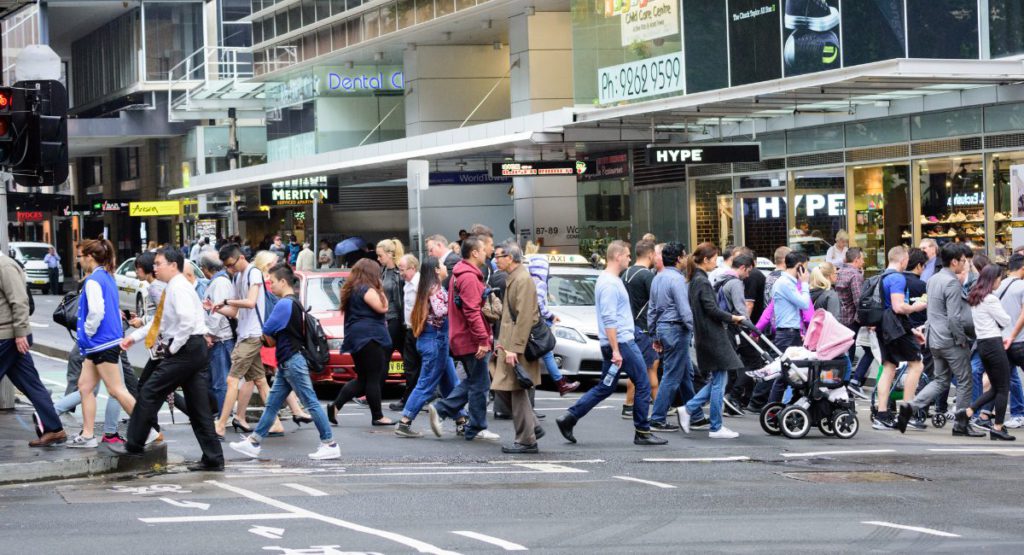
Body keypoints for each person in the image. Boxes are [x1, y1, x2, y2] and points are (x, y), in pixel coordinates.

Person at [114, 248, 225, 471]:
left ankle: (134, 444)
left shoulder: (178, 287)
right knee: (198, 408)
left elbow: (186, 323)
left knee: (149, 390)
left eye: (159, 263)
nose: (155, 268)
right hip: (193, 348)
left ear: (173, 265)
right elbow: (161, 323)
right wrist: (133, 338)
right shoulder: (173, 287)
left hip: (186, 348)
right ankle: (213, 458)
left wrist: (173, 348)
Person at [556, 241, 667, 446]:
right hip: (622, 343)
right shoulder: (609, 283)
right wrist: (616, 349)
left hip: (617, 343)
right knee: (643, 383)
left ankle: (569, 417)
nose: (629, 259)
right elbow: (609, 318)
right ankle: (642, 431)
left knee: (606, 387)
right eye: (627, 255)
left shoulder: (611, 280)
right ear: (617, 256)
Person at [230, 264, 341, 459]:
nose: (270, 285)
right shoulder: (294, 302)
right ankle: (254, 442)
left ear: (283, 282)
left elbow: (266, 331)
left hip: (292, 361)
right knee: (272, 404)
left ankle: (330, 443)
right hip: (288, 362)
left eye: (272, 282)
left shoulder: (284, 304)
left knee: (310, 402)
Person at [67, 239, 141, 448]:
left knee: (117, 390)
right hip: (103, 343)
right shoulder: (107, 276)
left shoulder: (93, 280)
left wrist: (88, 332)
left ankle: (147, 430)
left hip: (100, 343)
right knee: (85, 387)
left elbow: (97, 311)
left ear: (90, 257)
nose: (78, 261)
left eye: (80, 257)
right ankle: (88, 435)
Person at [208, 244, 286, 438]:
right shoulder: (238, 277)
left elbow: (250, 303)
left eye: (231, 264)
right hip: (245, 333)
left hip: (253, 334)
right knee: (259, 380)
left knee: (232, 379)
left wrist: (226, 301)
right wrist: (215, 307)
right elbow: (234, 312)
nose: (230, 269)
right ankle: (276, 423)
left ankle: (220, 425)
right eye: (227, 266)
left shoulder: (254, 273)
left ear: (241, 257)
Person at [427, 236, 500, 441]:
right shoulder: (468, 277)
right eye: (483, 249)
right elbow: (472, 311)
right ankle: (472, 425)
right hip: (471, 339)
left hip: (462, 336)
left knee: (476, 381)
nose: (486, 252)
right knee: (480, 384)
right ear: (474, 253)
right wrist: (483, 340)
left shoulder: (460, 274)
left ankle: (450, 414)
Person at [901, 245, 979, 435]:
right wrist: (962, 339)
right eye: (963, 261)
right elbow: (953, 317)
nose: (965, 264)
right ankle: (961, 424)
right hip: (950, 339)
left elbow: (933, 310)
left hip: (934, 338)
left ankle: (911, 406)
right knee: (965, 380)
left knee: (941, 380)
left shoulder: (933, 279)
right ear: (954, 262)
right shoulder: (952, 282)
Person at [678, 243, 747, 439]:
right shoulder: (702, 281)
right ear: (705, 259)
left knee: (719, 379)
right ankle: (716, 426)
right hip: (712, 336)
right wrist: (733, 317)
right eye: (714, 259)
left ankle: (689, 409)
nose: (716, 263)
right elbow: (712, 309)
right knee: (719, 382)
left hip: (705, 335)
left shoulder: (695, 279)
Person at [0, 251, 66, 447]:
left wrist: (20, 332)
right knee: (31, 384)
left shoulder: (5, 266)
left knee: (31, 383)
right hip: (11, 336)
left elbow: (20, 300)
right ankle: (54, 429)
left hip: (8, 336)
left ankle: (54, 429)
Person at [395, 257, 460, 438]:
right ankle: (405, 422)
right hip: (435, 341)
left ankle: (462, 420)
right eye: (442, 265)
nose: (445, 268)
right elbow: (440, 311)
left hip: (433, 341)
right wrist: (456, 303)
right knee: (425, 384)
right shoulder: (435, 289)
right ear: (436, 270)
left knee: (451, 384)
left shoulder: (427, 287)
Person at [328, 258, 397, 426]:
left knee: (363, 379)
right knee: (374, 377)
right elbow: (383, 307)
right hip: (370, 336)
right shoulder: (367, 289)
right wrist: (380, 288)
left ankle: (335, 406)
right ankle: (378, 416)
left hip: (356, 337)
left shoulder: (352, 289)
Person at [491, 241, 544, 454]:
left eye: (498, 256)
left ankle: (526, 440)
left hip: (516, 345)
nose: (495, 260)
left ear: (510, 258)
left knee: (517, 390)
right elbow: (510, 317)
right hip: (509, 344)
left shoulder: (522, 279)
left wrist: (514, 348)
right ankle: (532, 427)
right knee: (503, 385)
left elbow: (524, 318)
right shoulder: (514, 277)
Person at [956, 264, 1015, 440]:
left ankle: (966, 413)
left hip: (982, 344)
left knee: (996, 387)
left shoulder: (975, 297)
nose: (1000, 282)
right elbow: (1005, 320)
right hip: (994, 343)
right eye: (1000, 278)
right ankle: (997, 427)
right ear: (993, 279)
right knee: (1003, 388)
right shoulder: (990, 299)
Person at [647, 242, 700, 432]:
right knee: (672, 375)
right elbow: (684, 310)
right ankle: (657, 418)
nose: (686, 259)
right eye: (684, 255)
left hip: (664, 328)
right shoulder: (678, 280)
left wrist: (654, 334)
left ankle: (696, 415)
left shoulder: (658, 277)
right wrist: (697, 331)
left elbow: (652, 309)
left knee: (685, 374)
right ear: (678, 258)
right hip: (676, 328)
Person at [524, 241, 580, 396]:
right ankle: (560, 383)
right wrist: (552, 316)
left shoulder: (528, 280)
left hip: (528, 322)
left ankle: (560, 382)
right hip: (538, 323)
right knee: (547, 351)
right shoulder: (540, 283)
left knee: (542, 353)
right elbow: (540, 306)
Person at [764, 252, 813, 404]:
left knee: (796, 373)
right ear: (799, 267)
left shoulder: (788, 282)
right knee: (784, 375)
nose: (806, 272)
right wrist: (805, 284)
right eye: (805, 267)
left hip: (791, 332)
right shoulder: (785, 283)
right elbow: (804, 304)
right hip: (787, 334)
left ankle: (793, 406)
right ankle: (773, 408)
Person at [620, 240, 658, 417]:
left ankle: (656, 404)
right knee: (647, 368)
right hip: (644, 327)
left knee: (642, 367)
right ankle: (631, 404)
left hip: (630, 325)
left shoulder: (625, 273)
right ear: (650, 254)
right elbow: (656, 302)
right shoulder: (647, 276)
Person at [717, 252, 757, 414]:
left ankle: (730, 398)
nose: (748, 276)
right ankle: (733, 396)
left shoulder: (721, 278)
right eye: (748, 271)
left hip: (724, 328)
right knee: (754, 361)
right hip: (734, 328)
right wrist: (753, 329)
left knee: (731, 366)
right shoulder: (736, 283)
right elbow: (741, 309)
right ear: (742, 267)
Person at [200, 252, 234, 417]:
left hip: (221, 339)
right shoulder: (217, 282)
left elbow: (217, 313)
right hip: (218, 337)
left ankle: (224, 416)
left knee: (221, 382)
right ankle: (221, 414)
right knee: (215, 380)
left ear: (205, 268)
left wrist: (210, 335)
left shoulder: (220, 283)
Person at [993, 254, 1024, 429]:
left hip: (1002, 341)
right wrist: (1013, 334)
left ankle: (1018, 414)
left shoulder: (999, 286)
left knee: (1011, 379)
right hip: (1019, 340)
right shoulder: (1022, 286)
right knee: (1011, 379)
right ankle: (1018, 414)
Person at [835, 247, 870, 398]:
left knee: (843, 353)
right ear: (856, 260)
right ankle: (848, 385)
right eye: (862, 258)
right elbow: (858, 301)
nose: (863, 261)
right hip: (851, 320)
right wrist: (865, 320)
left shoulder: (839, 272)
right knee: (855, 352)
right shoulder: (855, 275)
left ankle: (841, 384)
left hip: (839, 318)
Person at [390, 254, 421, 412]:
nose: (400, 273)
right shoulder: (407, 284)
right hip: (409, 330)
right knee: (410, 367)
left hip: (419, 331)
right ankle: (409, 399)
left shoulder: (420, 284)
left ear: (412, 268)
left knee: (418, 368)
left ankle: (411, 400)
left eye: (402, 270)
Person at [376, 239, 406, 378]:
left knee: (384, 355)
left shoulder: (400, 273)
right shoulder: (382, 271)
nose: (378, 259)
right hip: (386, 319)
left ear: (389, 254)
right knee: (385, 356)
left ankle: (375, 388)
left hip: (396, 319)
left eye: (380, 255)